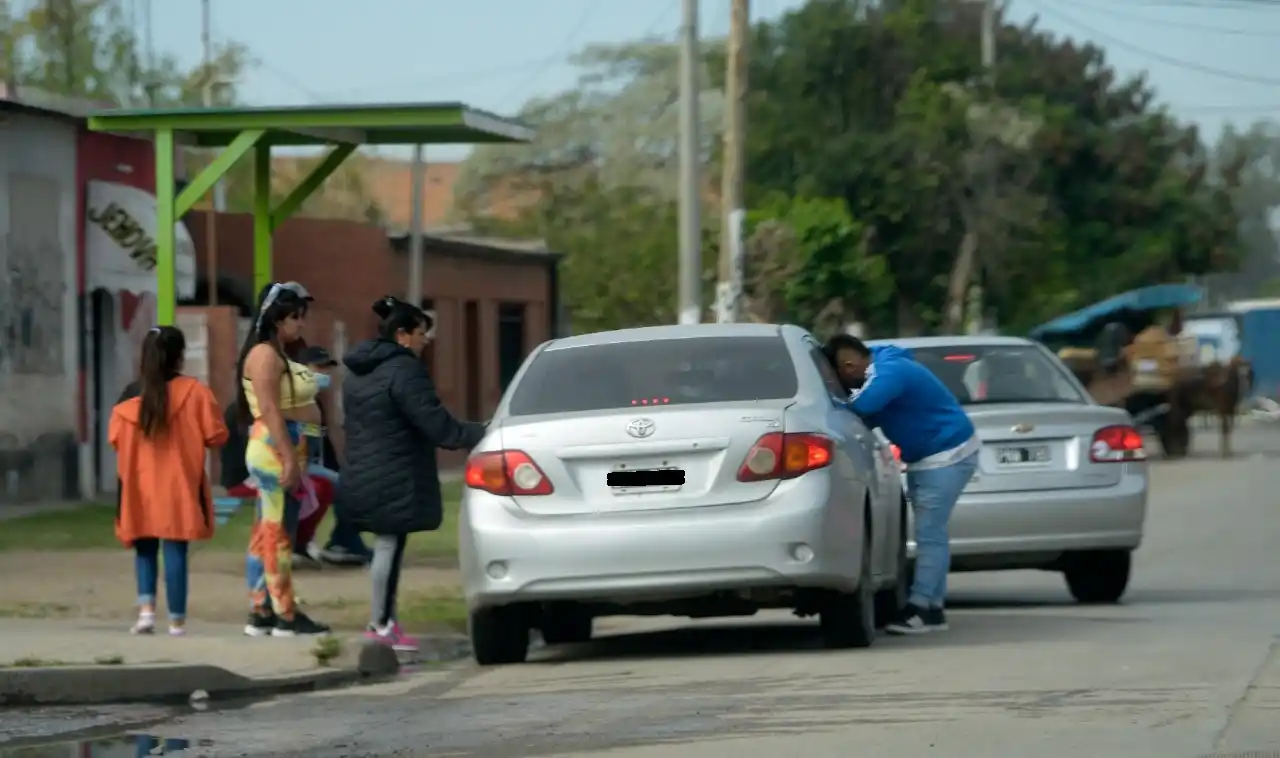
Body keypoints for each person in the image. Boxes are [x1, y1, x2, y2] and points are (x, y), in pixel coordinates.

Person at [336, 296, 486, 652]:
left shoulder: (358, 373)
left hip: (364, 470)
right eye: (421, 333)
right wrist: (480, 432)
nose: (426, 340)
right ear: (402, 335)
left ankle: (384, 622)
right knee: (389, 545)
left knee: (387, 544)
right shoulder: (405, 370)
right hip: (394, 473)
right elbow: (434, 422)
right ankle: (381, 625)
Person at [825, 334, 979, 635]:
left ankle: (920, 608)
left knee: (929, 535)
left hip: (946, 454)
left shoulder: (889, 372)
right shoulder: (883, 367)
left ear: (848, 365)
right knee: (932, 535)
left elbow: (864, 406)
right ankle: (933, 609)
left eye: (839, 377)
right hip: (934, 455)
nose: (844, 385)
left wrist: (831, 401)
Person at [110, 326, 228, 636]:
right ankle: (176, 621)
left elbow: (115, 439)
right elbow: (216, 435)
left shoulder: (128, 396)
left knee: (144, 549)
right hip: (180, 486)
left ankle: (146, 613)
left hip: (138, 487)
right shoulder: (196, 392)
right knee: (176, 550)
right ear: (179, 356)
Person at [237, 281, 331, 637]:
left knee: (266, 531)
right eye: (295, 317)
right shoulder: (265, 355)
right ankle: (285, 614)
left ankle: (261, 609)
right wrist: (289, 458)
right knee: (277, 533)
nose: (301, 324)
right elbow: (270, 409)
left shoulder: (275, 353)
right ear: (278, 319)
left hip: (282, 446)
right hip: (275, 449)